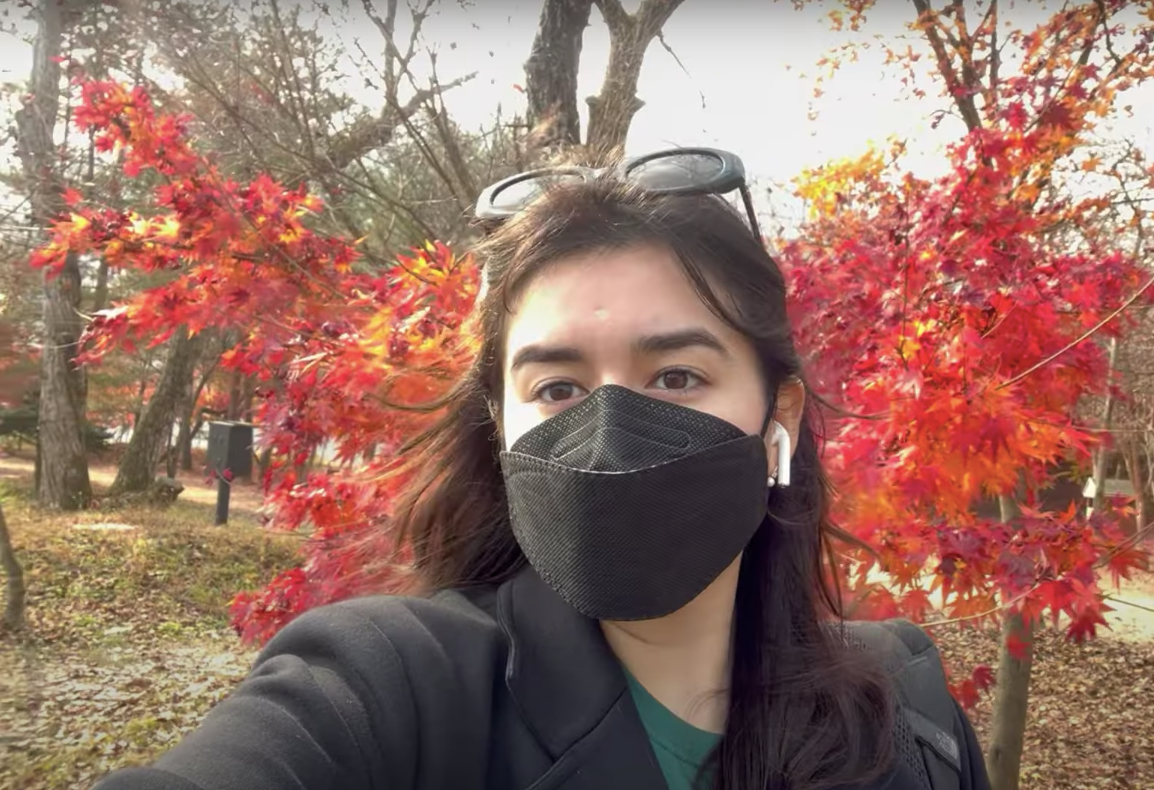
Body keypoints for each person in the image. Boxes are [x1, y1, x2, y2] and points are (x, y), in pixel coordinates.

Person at [91, 148, 990, 790]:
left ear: (776, 415)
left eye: (675, 376)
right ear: (497, 424)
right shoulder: (390, 689)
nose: (607, 433)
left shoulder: (904, 711)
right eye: (557, 385)